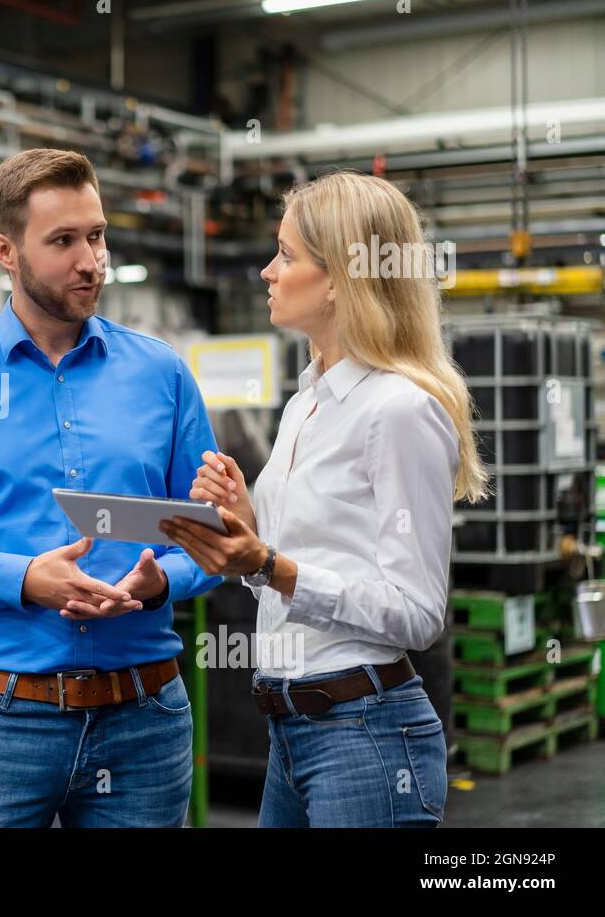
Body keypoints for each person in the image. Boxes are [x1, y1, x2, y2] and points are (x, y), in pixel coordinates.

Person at [0, 148, 221, 827]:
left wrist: (160, 583)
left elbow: (211, 537)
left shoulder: (162, 375)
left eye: (96, 235)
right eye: (62, 240)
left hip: (145, 721)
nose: (90, 260)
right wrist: (23, 578)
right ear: (6, 249)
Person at [161, 170, 488, 827]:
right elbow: (292, 584)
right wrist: (247, 537)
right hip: (291, 732)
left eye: (286, 254)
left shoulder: (397, 411)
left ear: (339, 278)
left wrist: (267, 564)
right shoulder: (307, 403)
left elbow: (419, 614)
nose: (266, 272)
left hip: (366, 738)